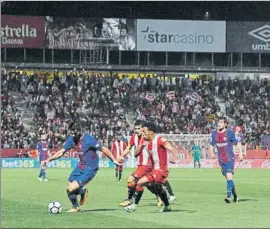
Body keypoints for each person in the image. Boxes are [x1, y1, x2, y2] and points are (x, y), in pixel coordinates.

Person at [41, 122, 122, 212]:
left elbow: (103, 149)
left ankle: (83, 192)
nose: (72, 135)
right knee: (69, 186)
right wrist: (48, 159)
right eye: (71, 133)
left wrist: (114, 160)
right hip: (81, 165)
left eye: (74, 133)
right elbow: (61, 152)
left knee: (71, 188)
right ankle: (76, 206)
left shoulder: (88, 139)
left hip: (91, 168)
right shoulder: (71, 139)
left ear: (79, 131)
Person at [118, 120, 175, 207]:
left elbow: (169, 148)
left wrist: (173, 156)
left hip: (147, 165)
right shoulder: (135, 137)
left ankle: (130, 201)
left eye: (139, 128)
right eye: (135, 128)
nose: (137, 130)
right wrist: (122, 155)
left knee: (131, 180)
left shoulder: (151, 138)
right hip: (141, 164)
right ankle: (161, 198)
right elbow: (133, 151)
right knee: (149, 184)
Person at [210, 117, 243, 203]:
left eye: (221, 122)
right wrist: (212, 153)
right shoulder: (214, 134)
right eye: (218, 122)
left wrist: (240, 153)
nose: (219, 124)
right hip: (221, 160)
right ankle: (235, 196)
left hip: (229, 158)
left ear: (225, 124)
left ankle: (228, 197)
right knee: (229, 178)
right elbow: (211, 145)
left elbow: (237, 143)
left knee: (229, 176)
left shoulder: (229, 133)